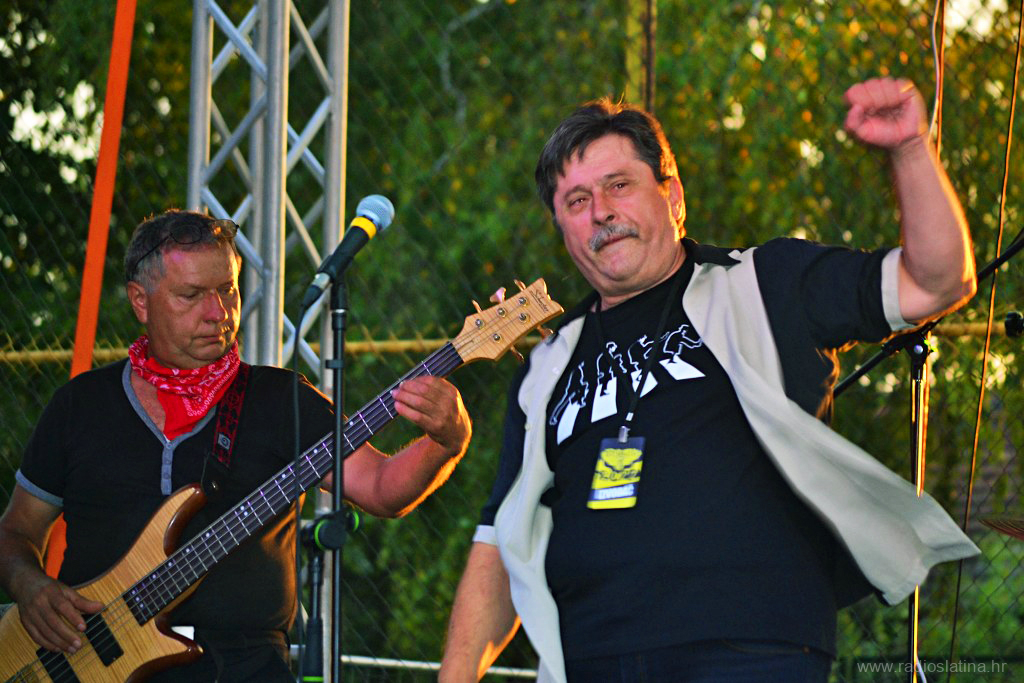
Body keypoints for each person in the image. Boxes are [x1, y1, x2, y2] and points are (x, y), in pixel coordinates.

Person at [438, 77, 979, 683]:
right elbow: (498, 541)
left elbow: (935, 282)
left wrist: (910, 149)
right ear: (562, 228)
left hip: (748, 650)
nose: (601, 212)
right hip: (587, 660)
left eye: (620, 185)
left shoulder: (764, 283)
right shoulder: (547, 367)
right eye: (577, 200)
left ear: (672, 195)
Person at [0, 209, 472, 681]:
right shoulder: (80, 405)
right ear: (140, 301)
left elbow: (382, 488)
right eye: (191, 295)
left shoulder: (279, 399)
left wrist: (447, 441)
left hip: (245, 666)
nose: (218, 313)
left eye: (227, 289)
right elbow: (15, 532)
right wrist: (29, 585)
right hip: (80, 663)